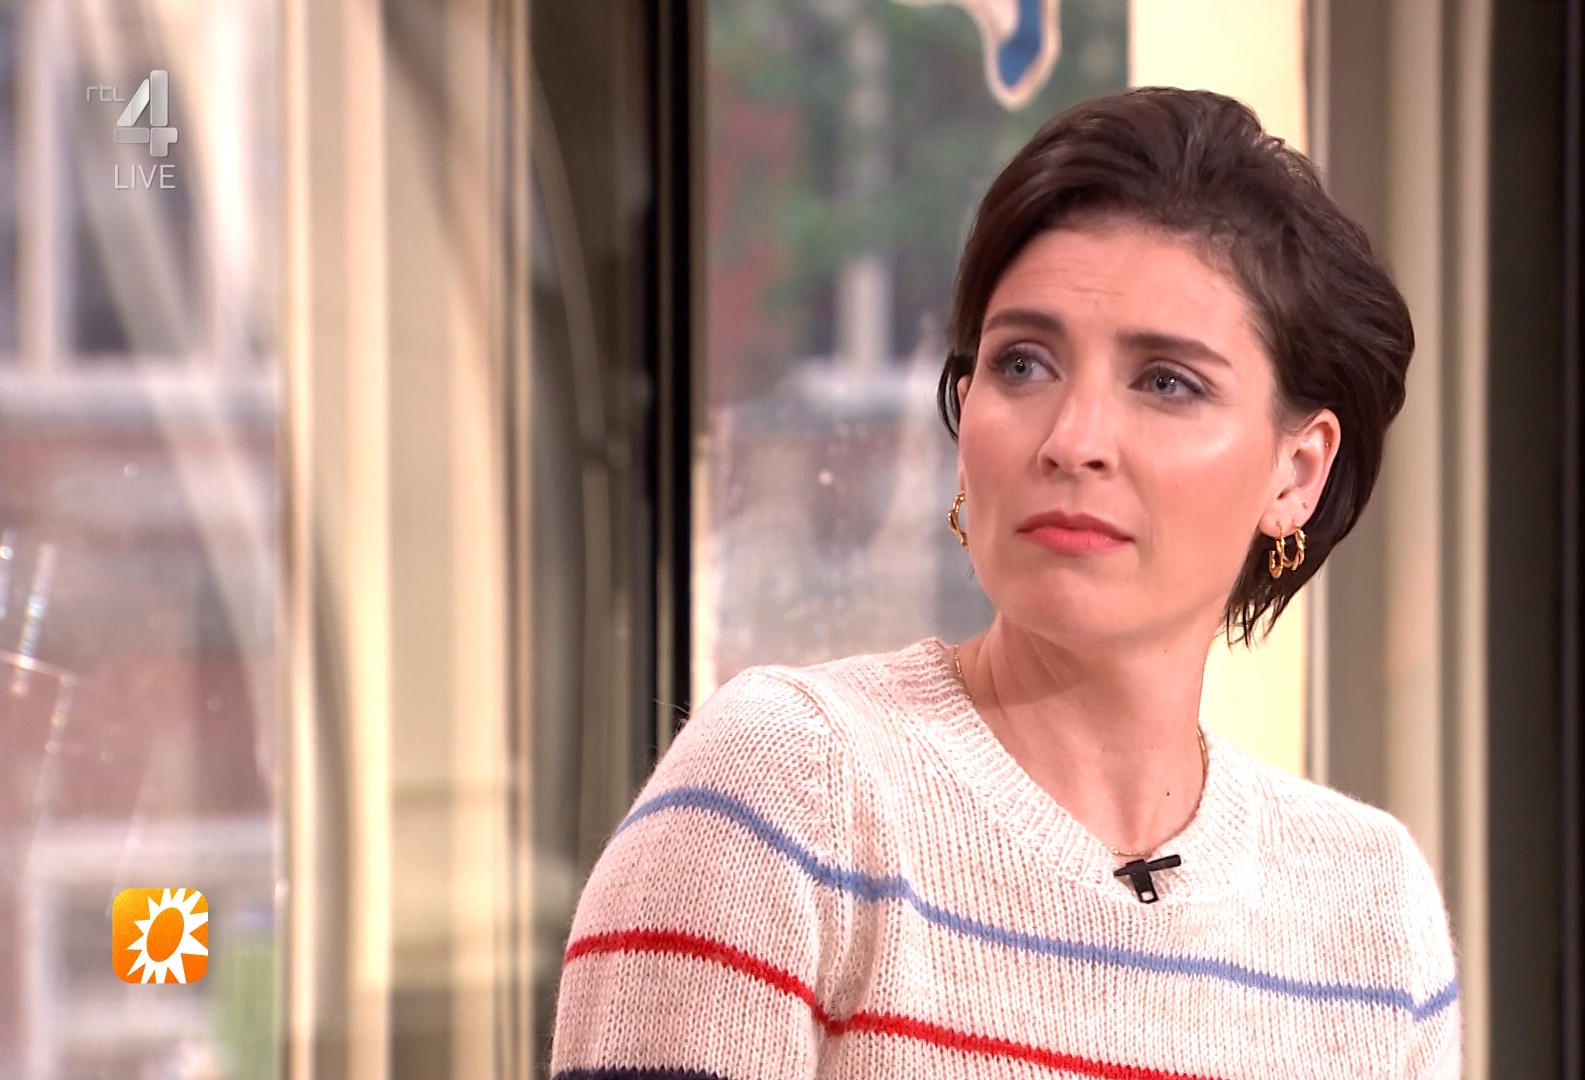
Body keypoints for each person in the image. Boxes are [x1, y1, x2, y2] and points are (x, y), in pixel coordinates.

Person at [550, 87, 1460, 1079]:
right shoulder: (786, 797)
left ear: (1297, 472)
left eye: (1167, 382)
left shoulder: (1375, 915)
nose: (1072, 440)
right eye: (1022, 364)